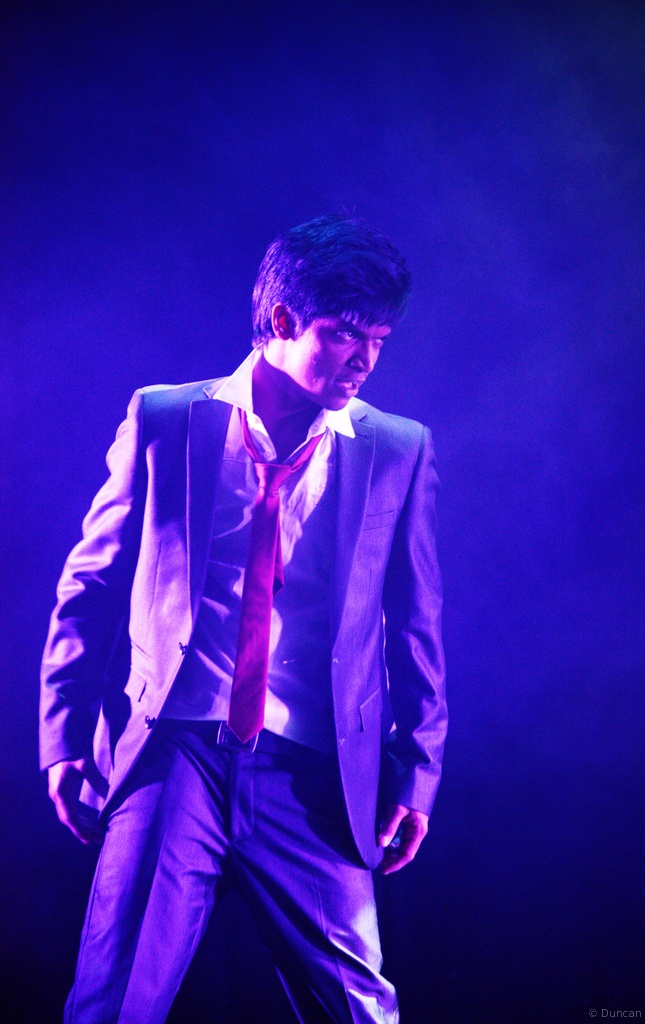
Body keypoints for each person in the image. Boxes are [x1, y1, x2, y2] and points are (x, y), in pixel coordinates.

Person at [40, 214, 447, 1024]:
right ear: (283, 320)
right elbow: (90, 585)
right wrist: (64, 736)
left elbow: (415, 623)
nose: (364, 359)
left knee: (361, 1012)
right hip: (174, 754)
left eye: (378, 339)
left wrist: (418, 770)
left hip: (313, 771)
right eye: (343, 333)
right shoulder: (165, 419)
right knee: (113, 1005)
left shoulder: (397, 449)